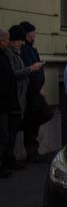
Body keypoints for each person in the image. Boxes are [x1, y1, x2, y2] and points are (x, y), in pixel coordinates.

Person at [3, 26, 42, 169]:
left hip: (19, 97)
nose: (23, 43)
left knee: (12, 131)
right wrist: (30, 69)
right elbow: (14, 74)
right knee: (9, 132)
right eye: (20, 40)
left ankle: (10, 159)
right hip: (14, 99)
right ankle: (8, 160)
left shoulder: (16, 53)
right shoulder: (10, 54)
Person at [18, 21, 47, 161]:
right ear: (28, 35)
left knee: (36, 118)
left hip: (34, 90)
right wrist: (37, 88)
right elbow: (31, 71)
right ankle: (32, 150)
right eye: (33, 33)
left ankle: (33, 149)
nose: (35, 35)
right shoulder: (26, 50)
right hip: (31, 92)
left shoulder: (29, 49)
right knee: (33, 119)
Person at [0, 29, 21, 178]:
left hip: (6, 102)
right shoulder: (4, 55)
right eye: (6, 40)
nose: (8, 43)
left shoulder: (4, 55)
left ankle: (5, 161)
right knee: (3, 135)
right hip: (2, 102)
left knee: (5, 134)